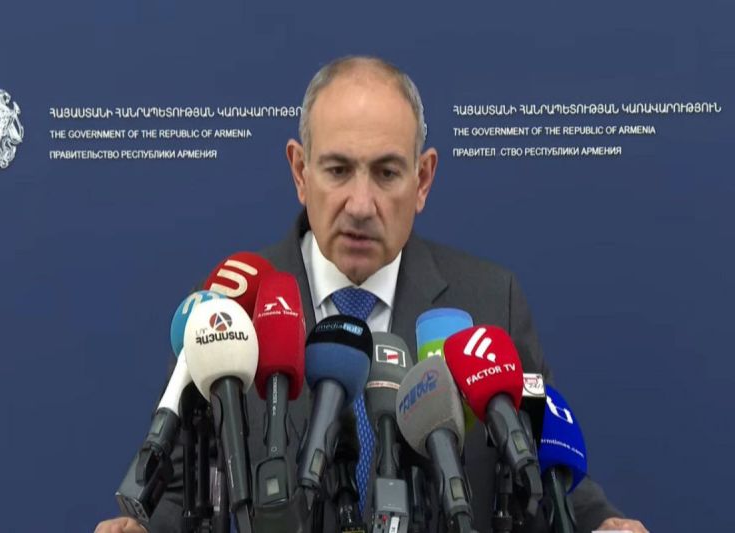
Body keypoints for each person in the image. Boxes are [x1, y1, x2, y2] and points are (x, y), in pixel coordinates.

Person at [96, 56, 648, 533]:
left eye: (386, 173)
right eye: (338, 170)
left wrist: (601, 523)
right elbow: (180, 490)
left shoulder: (489, 300)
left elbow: (545, 476)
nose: (361, 204)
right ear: (300, 171)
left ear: (423, 179)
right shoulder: (230, 308)